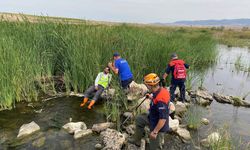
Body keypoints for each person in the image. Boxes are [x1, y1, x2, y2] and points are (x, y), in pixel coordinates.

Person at [129, 73, 170, 149]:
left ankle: (156, 144)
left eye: (146, 85)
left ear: (150, 85)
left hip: (158, 124)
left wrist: (155, 132)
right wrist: (151, 97)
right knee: (139, 119)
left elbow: (163, 119)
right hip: (152, 117)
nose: (146, 86)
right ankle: (137, 140)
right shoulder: (160, 90)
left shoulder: (161, 100)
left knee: (153, 146)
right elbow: (156, 97)